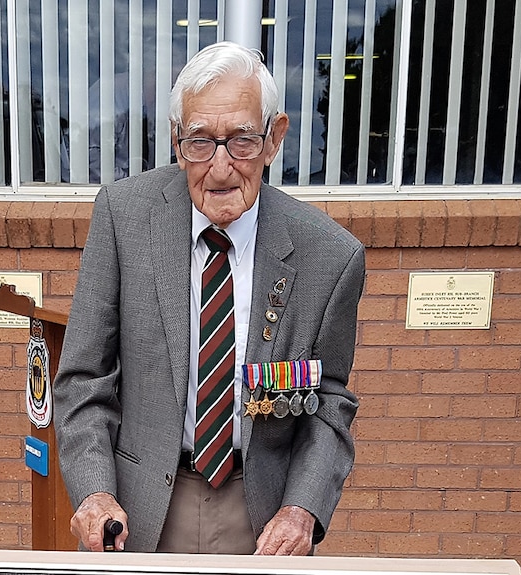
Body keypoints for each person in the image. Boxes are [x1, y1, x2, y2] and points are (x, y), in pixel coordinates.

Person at [53, 41, 365, 556]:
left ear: (274, 138)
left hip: (261, 515)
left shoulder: (329, 256)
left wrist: (302, 508)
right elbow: (84, 377)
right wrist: (94, 489)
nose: (220, 167)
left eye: (241, 140)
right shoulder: (123, 217)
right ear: (177, 141)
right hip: (138, 509)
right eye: (199, 141)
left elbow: (329, 401)